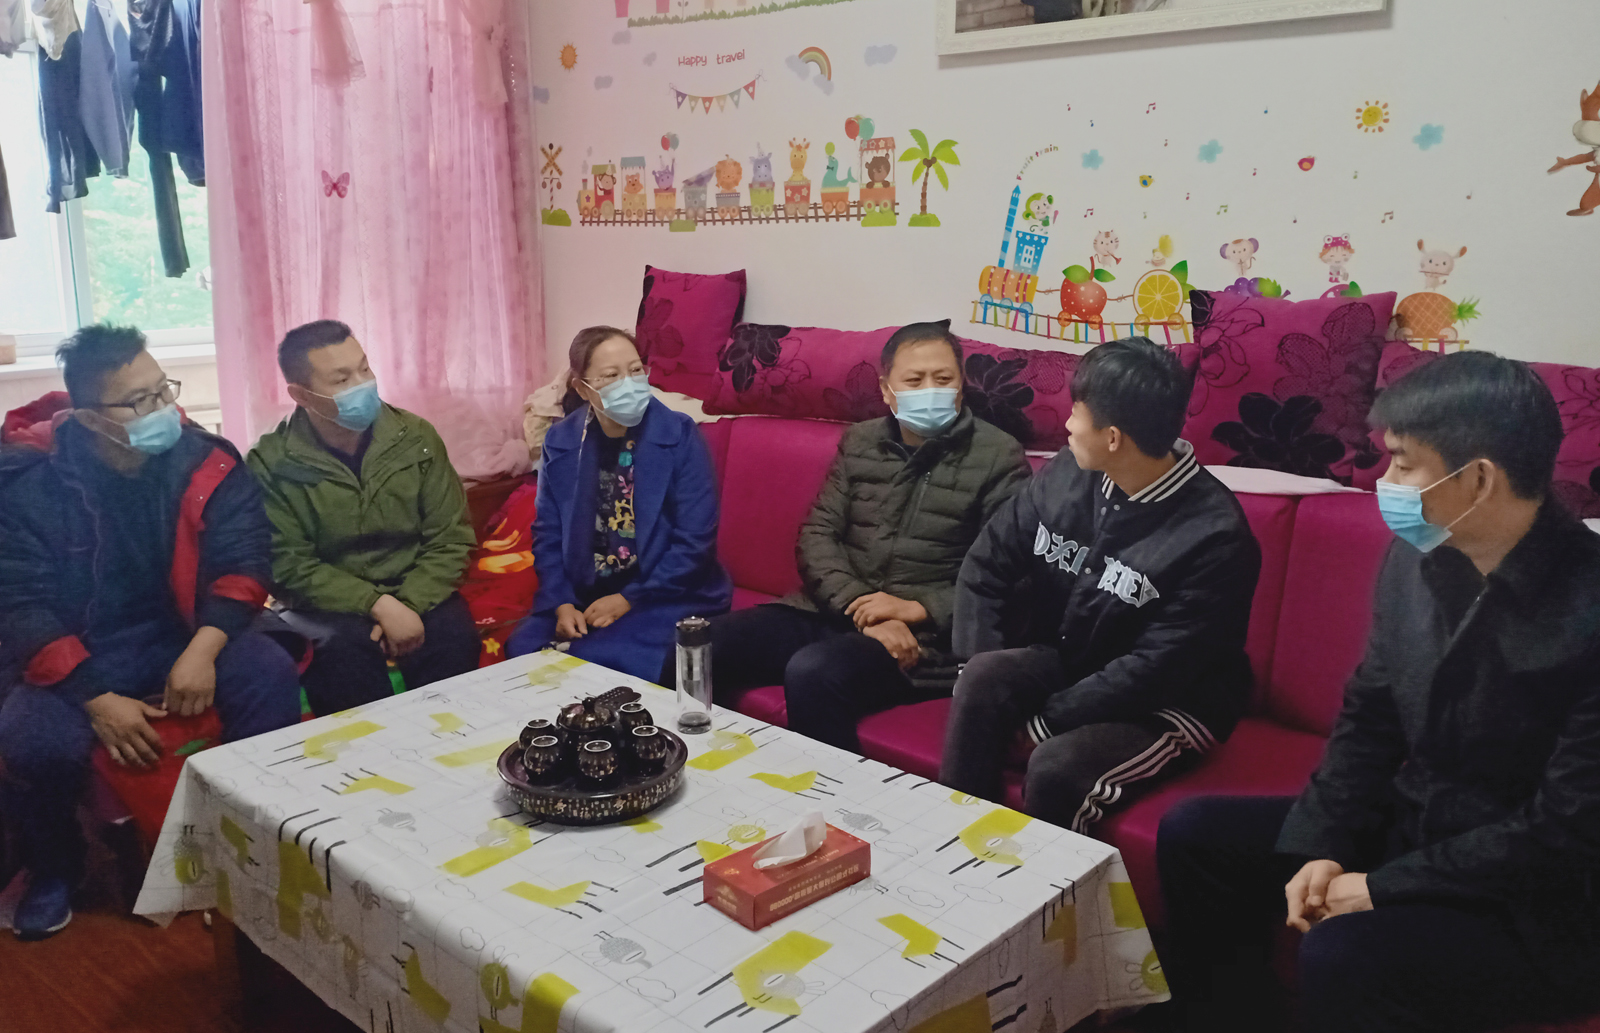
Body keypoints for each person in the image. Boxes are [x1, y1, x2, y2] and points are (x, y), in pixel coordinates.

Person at [1157, 352, 1600, 1033]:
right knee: (1197, 835)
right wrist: (1324, 843)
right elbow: (1369, 718)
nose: (1383, 482)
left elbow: (1564, 830)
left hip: (1539, 897)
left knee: (1344, 954)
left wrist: (1380, 886)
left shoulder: (1587, 607)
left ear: (1478, 478)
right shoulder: (1417, 558)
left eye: (1401, 462)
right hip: (1415, 823)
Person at [0, 325, 301, 940]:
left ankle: (261, 835)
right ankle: (56, 866)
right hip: (80, 654)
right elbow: (20, 606)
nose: (162, 409)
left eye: (163, 389)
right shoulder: (30, 487)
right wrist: (97, 697)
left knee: (267, 672)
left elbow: (246, 562)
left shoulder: (206, 460)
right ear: (89, 418)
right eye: (138, 401)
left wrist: (203, 650)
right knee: (32, 738)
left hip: (185, 634)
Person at [941, 337, 1260, 833]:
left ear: (1112, 438)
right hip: (1072, 661)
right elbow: (986, 564)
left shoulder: (1215, 536)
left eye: (1077, 412)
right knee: (982, 678)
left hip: (1170, 703)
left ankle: (1051, 881)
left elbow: (1155, 670)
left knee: (1056, 767)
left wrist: (1044, 725)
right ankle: (955, 842)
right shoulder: (1067, 472)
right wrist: (977, 670)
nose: (1068, 424)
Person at [684, 321, 1031, 752]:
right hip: (833, 610)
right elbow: (817, 535)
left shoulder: (999, 456)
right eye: (914, 380)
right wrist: (862, 607)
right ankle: (686, 770)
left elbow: (1010, 577)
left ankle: (827, 795)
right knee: (699, 645)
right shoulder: (862, 441)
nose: (930, 390)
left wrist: (919, 609)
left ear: (962, 386)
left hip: (925, 642)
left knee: (814, 673)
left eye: (943, 379)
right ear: (887, 389)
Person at [247, 320, 480, 716]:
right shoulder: (272, 463)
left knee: (453, 635)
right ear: (301, 395)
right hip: (326, 604)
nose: (362, 385)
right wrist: (376, 605)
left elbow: (451, 538)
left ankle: (455, 745)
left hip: (415, 586)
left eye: (364, 369)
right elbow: (287, 565)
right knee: (341, 653)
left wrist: (406, 604)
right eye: (341, 380)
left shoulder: (415, 437)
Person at [507, 327, 730, 680]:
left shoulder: (679, 434)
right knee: (523, 651)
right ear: (584, 389)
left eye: (636, 370)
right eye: (612, 376)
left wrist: (628, 599)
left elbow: (694, 540)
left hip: (665, 595)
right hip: (585, 596)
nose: (630, 383)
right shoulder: (562, 440)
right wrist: (561, 601)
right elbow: (548, 532)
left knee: (597, 661)